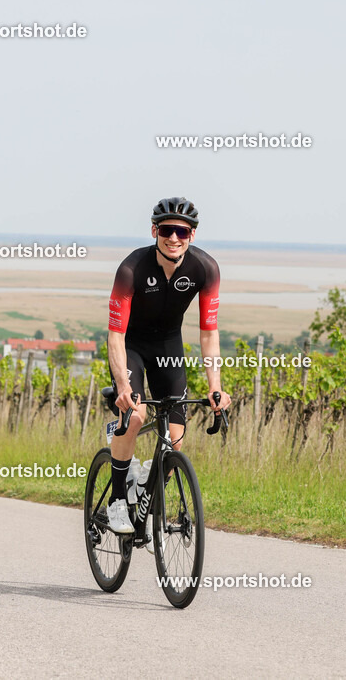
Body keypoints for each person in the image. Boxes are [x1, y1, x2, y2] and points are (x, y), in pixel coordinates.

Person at [106, 197, 231, 541]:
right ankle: (117, 499)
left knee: (175, 440)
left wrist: (215, 386)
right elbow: (115, 335)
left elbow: (209, 333)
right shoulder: (131, 269)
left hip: (168, 347)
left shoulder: (205, 269)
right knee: (135, 415)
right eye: (166, 230)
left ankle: (147, 488)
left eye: (182, 231)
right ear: (154, 231)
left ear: (192, 235)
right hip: (130, 346)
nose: (174, 237)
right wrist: (123, 386)